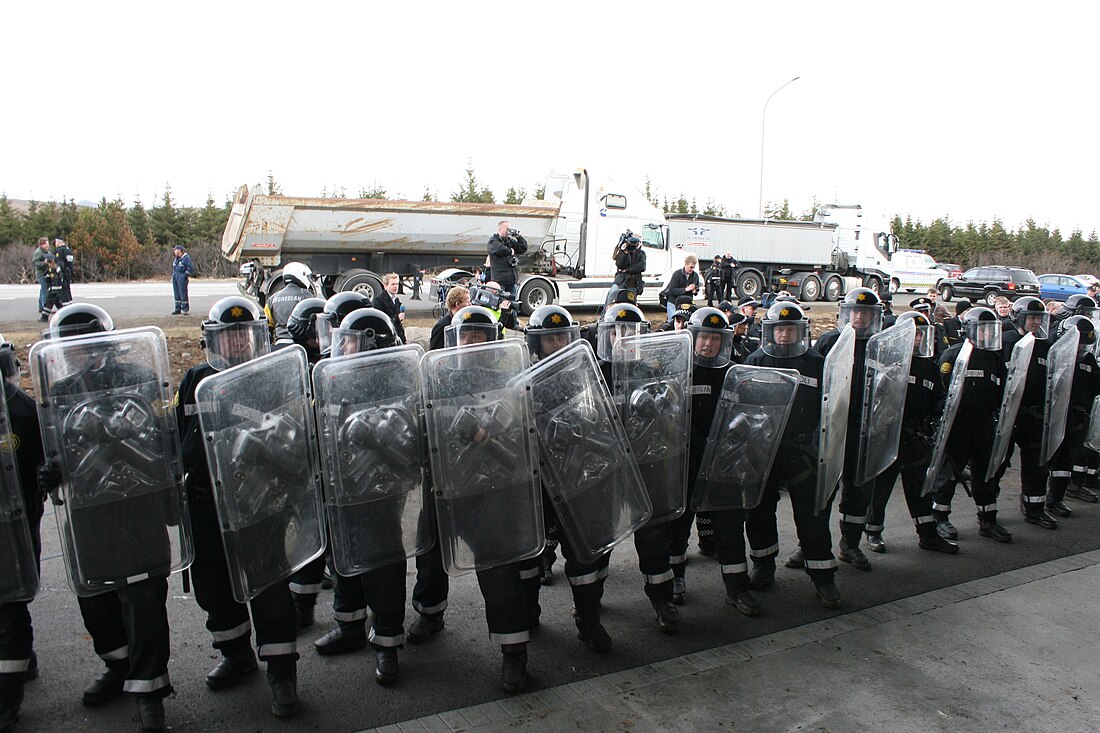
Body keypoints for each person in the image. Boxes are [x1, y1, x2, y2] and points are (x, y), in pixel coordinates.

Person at [35, 304, 176, 732]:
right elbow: (54, 444)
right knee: (94, 599)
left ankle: (150, 691)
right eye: (69, 350)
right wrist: (52, 470)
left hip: (137, 506)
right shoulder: (60, 390)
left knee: (144, 601)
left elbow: (161, 437)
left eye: (82, 348)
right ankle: (119, 667)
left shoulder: (140, 378)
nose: (76, 356)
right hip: (88, 513)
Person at [176, 297, 301, 718]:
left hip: (259, 505)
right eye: (227, 336)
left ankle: (282, 674)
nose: (236, 344)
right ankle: (235, 653)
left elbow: (292, 440)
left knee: (269, 591)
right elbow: (179, 440)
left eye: (243, 335)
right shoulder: (195, 378)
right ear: (212, 340)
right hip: (206, 507)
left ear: (257, 338)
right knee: (213, 587)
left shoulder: (272, 378)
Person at [316, 307, 413, 685]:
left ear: (373, 343)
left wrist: (376, 439)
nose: (344, 347)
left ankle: (387, 644)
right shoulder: (335, 376)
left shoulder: (397, 381)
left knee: (383, 567)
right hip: (340, 489)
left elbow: (408, 447)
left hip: (379, 494)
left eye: (351, 341)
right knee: (342, 560)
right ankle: (349, 626)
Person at [522, 305, 614, 652]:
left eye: (562, 336)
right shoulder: (524, 378)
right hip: (539, 485)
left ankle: (588, 620)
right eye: (550, 339)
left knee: (585, 555)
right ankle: (527, 612)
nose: (558, 344)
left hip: (579, 479)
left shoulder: (584, 374)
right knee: (529, 557)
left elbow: (601, 419)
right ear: (536, 343)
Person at [744, 302, 841, 608]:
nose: (784, 336)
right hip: (764, 450)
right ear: (769, 332)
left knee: (812, 515)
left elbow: (831, 408)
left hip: (804, 451)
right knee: (758, 513)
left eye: (790, 330)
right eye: (779, 329)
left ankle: (823, 576)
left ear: (802, 332)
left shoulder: (818, 362)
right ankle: (763, 565)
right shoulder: (755, 361)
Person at [595, 303, 682, 633]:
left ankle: (662, 600)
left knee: (654, 537)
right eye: (616, 331)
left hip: (647, 467)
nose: (623, 338)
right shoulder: (593, 368)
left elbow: (672, 416)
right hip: (605, 470)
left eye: (630, 332)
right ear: (606, 334)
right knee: (600, 537)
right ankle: (590, 602)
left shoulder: (652, 370)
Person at [863, 311, 957, 554]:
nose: (916, 340)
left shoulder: (928, 366)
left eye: (920, 336)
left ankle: (928, 535)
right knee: (880, 489)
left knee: (919, 490)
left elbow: (938, 398)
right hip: (888, 436)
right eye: (912, 335)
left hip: (916, 437)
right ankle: (873, 532)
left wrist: (941, 412)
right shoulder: (886, 362)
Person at [810, 287, 884, 571]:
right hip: (832, 428)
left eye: (866, 312)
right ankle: (811, 545)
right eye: (856, 311)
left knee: (859, 490)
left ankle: (850, 545)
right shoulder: (830, 341)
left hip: (864, 430)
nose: (860, 317)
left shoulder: (881, 344)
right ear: (846, 313)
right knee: (822, 490)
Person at [931, 307, 1011, 543]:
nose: (987, 335)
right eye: (982, 330)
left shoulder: (994, 359)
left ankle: (987, 520)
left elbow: (1003, 391)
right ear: (970, 331)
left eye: (990, 330)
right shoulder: (954, 355)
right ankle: (940, 518)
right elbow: (940, 392)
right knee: (948, 474)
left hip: (985, 423)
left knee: (986, 473)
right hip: (958, 424)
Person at [0, 337, 46, 733]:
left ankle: (7, 694)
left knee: (9, 608)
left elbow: (38, 472)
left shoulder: (21, 410)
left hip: (11, 528)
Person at [992, 297, 1058, 529]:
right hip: (1009, 414)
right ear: (1020, 317)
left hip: (1034, 416)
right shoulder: (1005, 342)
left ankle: (1034, 508)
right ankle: (988, 512)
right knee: (997, 463)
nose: (1036, 322)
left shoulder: (1045, 345)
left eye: (1039, 318)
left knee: (1036, 466)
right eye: (1032, 317)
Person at [1046, 316, 1100, 512]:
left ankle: (1056, 498)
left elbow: (1096, 384)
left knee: (1067, 459)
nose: (1080, 349)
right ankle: (1034, 502)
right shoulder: (1053, 354)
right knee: (1046, 459)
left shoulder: (1088, 359)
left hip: (1076, 416)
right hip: (1053, 415)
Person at [264, 262, 313, 342]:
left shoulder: (272, 298)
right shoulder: (306, 295)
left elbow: (268, 326)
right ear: (302, 274)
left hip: (279, 343)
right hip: (300, 344)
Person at [487, 221, 528, 294]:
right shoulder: (493, 241)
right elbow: (499, 249)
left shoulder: (510, 241)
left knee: (512, 302)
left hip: (511, 280)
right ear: (500, 230)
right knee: (500, 301)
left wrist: (518, 237)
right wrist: (510, 251)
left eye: (509, 229)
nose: (508, 232)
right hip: (499, 281)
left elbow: (522, 248)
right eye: (507, 229)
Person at [609, 233, 647, 305]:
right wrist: (624, 252)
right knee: (611, 296)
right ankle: (605, 315)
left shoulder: (641, 253)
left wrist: (627, 270)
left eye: (637, 242)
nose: (634, 244)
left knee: (631, 303)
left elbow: (642, 266)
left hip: (633, 284)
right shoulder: (624, 251)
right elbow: (620, 265)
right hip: (620, 281)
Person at [429, 286, 471, 352]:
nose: (470, 305)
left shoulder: (465, 319)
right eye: (468, 302)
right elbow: (434, 352)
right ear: (457, 304)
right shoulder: (442, 325)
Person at [370, 273, 407, 344]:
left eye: (397, 284)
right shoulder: (379, 301)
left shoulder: (396, 299)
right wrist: (397, 318)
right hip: (387, 341)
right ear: (385, 286)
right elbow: (380, 323)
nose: (396, 287)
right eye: (393, 284)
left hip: (398, 337)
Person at [663, 255, 701, 320]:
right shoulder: (677, 274)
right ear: (686, 264)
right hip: (673, 303)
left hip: (687, 305)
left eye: (694, 268)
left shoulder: (695, 276)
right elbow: (671, 290)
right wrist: (686, 289)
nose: (692, 270)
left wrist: (695, 291)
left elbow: (696, 290)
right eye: (691, 267)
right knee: (673, 323)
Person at [170, 245, 194, 315]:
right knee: (176, 293)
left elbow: (190, 269)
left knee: (183, 293)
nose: (174, 251)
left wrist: (184, 276)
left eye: (175, 250)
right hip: (175, 276)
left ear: (179, 250)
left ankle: (185, 309)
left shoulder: (186, 258)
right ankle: (177, 308)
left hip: (182, 277)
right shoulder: (176, 258)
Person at [31, 238, 51, 316]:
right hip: (41, 273)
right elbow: (35, 262)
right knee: (45, 289)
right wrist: (44, 263)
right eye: (46, 244)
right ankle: (44, 307)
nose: (48, 245)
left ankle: (40, 306)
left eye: (48, 244)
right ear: (42, 245)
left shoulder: (47, 252)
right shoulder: (38, 252)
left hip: (47, 273)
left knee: (43, 289)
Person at [53, 238, 74, 304]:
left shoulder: (59, 250)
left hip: (63, 271)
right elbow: (70, 261)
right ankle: (70, 300)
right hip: (69, 270)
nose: (55, 244)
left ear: (58, 242)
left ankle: (65, 302)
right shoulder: (68, 250)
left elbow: (59, 262)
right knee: (68, 287)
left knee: (63, 287)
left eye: (56, 242)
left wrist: (58, 271)